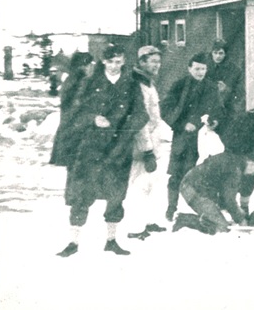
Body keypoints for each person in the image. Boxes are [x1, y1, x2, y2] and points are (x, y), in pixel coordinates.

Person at [56, 45, 149, 257]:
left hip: (119, 146)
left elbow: (141, 114)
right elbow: (75, 112)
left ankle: (111, 240)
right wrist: (93, 118)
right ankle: (73, 242)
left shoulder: (132, 85)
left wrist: (125, 128)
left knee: (116, 194)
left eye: (120, 62)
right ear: (104, 62)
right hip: (91, 146)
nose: (116, 66)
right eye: (112, 61)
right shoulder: (89, 83)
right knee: (81, 193)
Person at [161, 52, 224, 222]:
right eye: (196, 69)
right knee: (177, 174)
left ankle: (205, 209)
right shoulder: (179, 85)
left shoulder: (211, 87)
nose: (200, 72)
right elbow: (165, 109)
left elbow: (219, 110)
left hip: (204, 139)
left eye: (203, 69)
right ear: (189, 68)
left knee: (203, 174)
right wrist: (182, 125)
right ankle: (171, 207)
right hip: (183, 138)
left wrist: (215, 122)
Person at [127, 46, 167, 240]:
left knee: (150, 183)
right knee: (138, 185)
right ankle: (135, 227)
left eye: (158, 62)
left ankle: (148, 221)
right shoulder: (137, 84)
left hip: (153, 141)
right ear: (142, 62)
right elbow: (139, 119)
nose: (157, 65)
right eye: (153, 62)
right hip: (141, 143)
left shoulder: (148, 82)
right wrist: (147, 149)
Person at [172, 152, 253, 234]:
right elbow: (229, 199)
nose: (253, 173)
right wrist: (241, 219)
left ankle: (195, 219)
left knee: (219, 222)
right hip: (193, 190)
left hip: (193, 186)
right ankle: (184, 220)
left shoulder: (235, 162)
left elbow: (224, 194)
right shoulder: (235, 170)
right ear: (250, 163)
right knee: (221, 228)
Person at [50, 52, 94, 167]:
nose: (90, 67)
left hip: (69, 115)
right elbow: (77, 99)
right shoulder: (79, 78)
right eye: (89, 64)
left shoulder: (72, 77)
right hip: (74, 116)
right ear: (83, 65)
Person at [206, 38, 244, 136]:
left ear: (225, 54)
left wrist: (226, 90)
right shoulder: (205, 68)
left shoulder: (235, 70)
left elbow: (240, 93)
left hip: (227, 111)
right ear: (211, 53)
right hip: (208, 110)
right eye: (215, 53)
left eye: (221, 53)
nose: (218, 56)